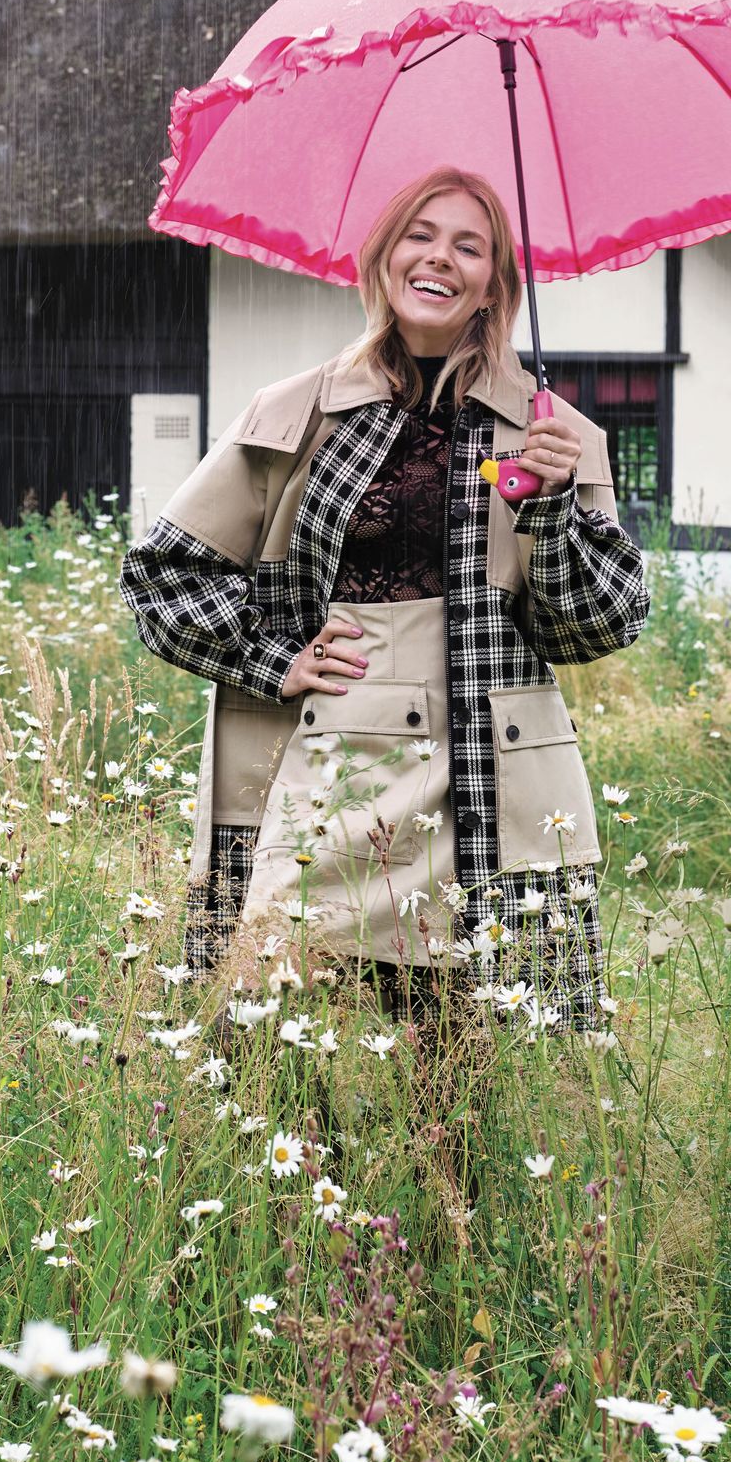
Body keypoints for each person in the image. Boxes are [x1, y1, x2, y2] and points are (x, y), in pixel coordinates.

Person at [118, 165, 651, 1034]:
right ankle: (298, 1170)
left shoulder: (555, 436)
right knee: (259, 1016)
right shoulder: (297, 411)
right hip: (327, 757)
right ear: (384, 258)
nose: (440, 258)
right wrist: (272, 658)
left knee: (459, 1036)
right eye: (421, 235)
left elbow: (598, 624)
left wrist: (551, 509)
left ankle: (449, 1175)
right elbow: (163, 575)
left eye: (469, 245)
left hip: (482, 765)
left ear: (495, 283)